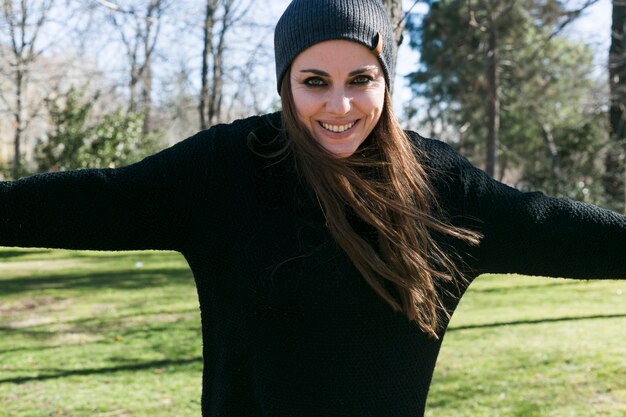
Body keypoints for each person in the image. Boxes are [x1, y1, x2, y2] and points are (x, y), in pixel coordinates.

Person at [1, 0, 624, 415]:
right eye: (315, 82)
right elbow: (96, 199)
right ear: (285, 82)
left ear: (385, 80)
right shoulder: (229, 166)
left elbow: (556, 226)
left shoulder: (440, 186)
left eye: (361, 79)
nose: (340, 106)